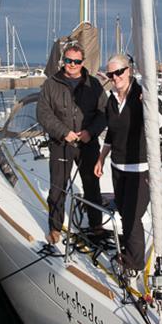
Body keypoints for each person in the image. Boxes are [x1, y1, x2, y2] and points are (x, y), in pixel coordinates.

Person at [93, 54, 162, 273]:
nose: (115, 77)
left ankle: (134, 264)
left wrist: (151, 106)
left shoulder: (142, 95)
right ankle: (128, 252)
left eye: (119, 72)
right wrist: (101, 157)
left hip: (141, 170)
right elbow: (111, 134)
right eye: (111, 74)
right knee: (126, 214)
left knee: (133, 219)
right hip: (118, 168)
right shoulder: (111, 100)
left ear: (130, 70)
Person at [36, 43, 107, 244]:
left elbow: (103, 114)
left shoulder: (94, 85)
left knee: (92, 186)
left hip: (88, 144)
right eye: (68, 60)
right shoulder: (51, 84)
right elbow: (43, 113)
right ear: (63, 61)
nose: (72, 64)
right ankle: (55, 227)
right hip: (61, 143)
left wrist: (90, 132)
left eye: (76, 61)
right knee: (58, 187)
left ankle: (96, 224)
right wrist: (63, 132)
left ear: (83, 62)